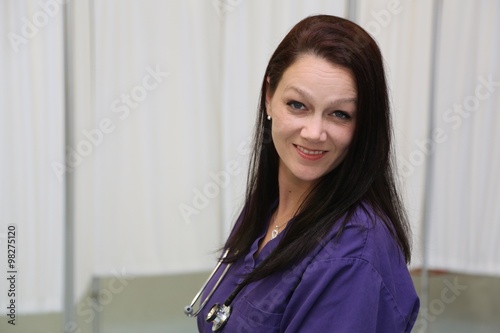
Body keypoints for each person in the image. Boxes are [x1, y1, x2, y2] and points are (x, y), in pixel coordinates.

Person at [187, 14, 419, 332]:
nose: (313, 132)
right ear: (269, 96)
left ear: (364, 124)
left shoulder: (351, 256)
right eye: (298, 105)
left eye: (340, 114)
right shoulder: (269, 210)